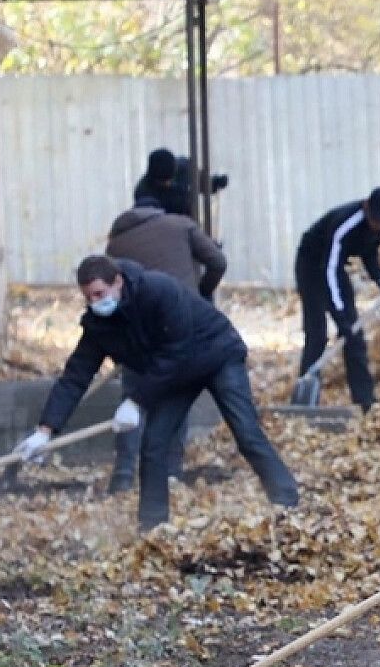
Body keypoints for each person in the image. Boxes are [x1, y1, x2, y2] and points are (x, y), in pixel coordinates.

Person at [15, 255, 298, 528]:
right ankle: (152, 525)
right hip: (174, 375)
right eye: (88, 298)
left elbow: (177, 351)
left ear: (118, 282)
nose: (94, 303)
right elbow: (75, 378)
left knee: (246, 432)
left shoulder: (158, 290)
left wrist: (136, 401)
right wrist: (46, 430)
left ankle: (287, 503)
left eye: (99, 294)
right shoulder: (99, 326)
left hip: (216, 355)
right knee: (153, 444)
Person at [102, 198, 230, 493]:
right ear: (158, 210)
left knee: (133, 396)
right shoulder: (181, 225)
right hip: (179, 321)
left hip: (136, 328)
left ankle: (123, 474)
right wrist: (203, 292)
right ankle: (170, 471)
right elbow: (218, 262)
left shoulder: (116, 244)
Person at [295, 187, 380, 412]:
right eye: (375, 220)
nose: (378, 226)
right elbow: (329, 269)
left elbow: (369, 254)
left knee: (354, 335)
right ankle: (305, 401)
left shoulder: (376, 227)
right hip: (312, 266)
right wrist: (341, 316)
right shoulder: (346, 223)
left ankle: (365, 401)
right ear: (366, 207)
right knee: (317, 334)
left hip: (334, 268)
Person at [133, 148, 229, 217]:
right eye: (163, 183)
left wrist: (216, 183)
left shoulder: (183, 168)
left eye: (168, 181)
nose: (167, 184)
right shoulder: (143, 192)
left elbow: (201, 181)